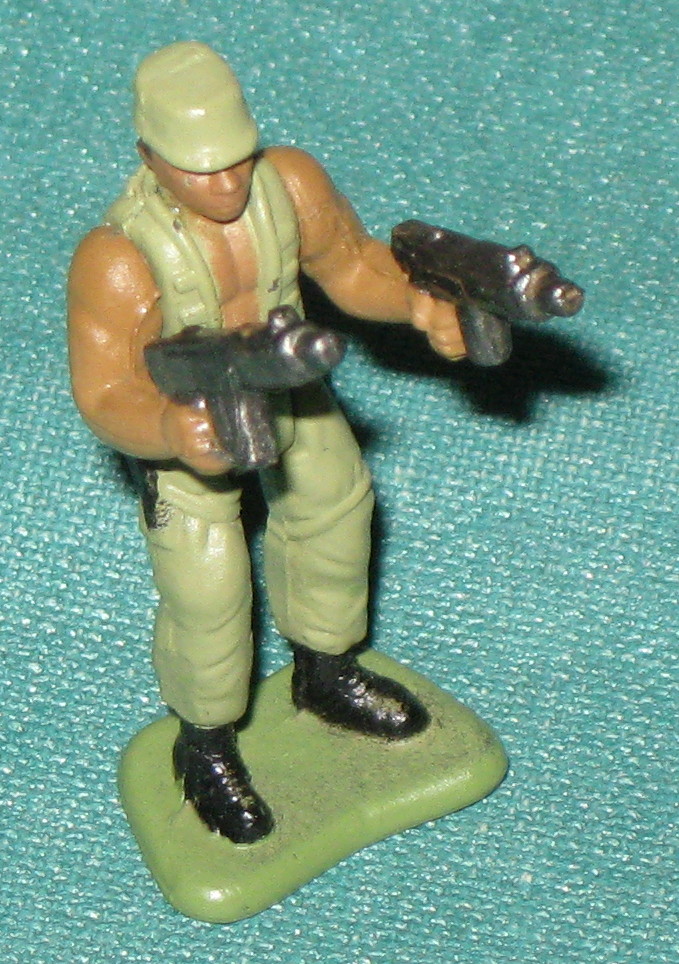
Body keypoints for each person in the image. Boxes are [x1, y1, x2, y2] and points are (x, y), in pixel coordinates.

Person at [68, 41, 466, 844]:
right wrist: (169, 429)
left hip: (286, 392)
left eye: (235, 158)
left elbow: (351, 266)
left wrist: (417, 302)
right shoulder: (117, 259)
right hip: (184, 420)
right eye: (198, 167)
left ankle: (325, 673)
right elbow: (105, 394)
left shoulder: (287, 184)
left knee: (336, 510)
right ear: (150, 157)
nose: (226, 183)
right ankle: (204, 744)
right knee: (208, 592)